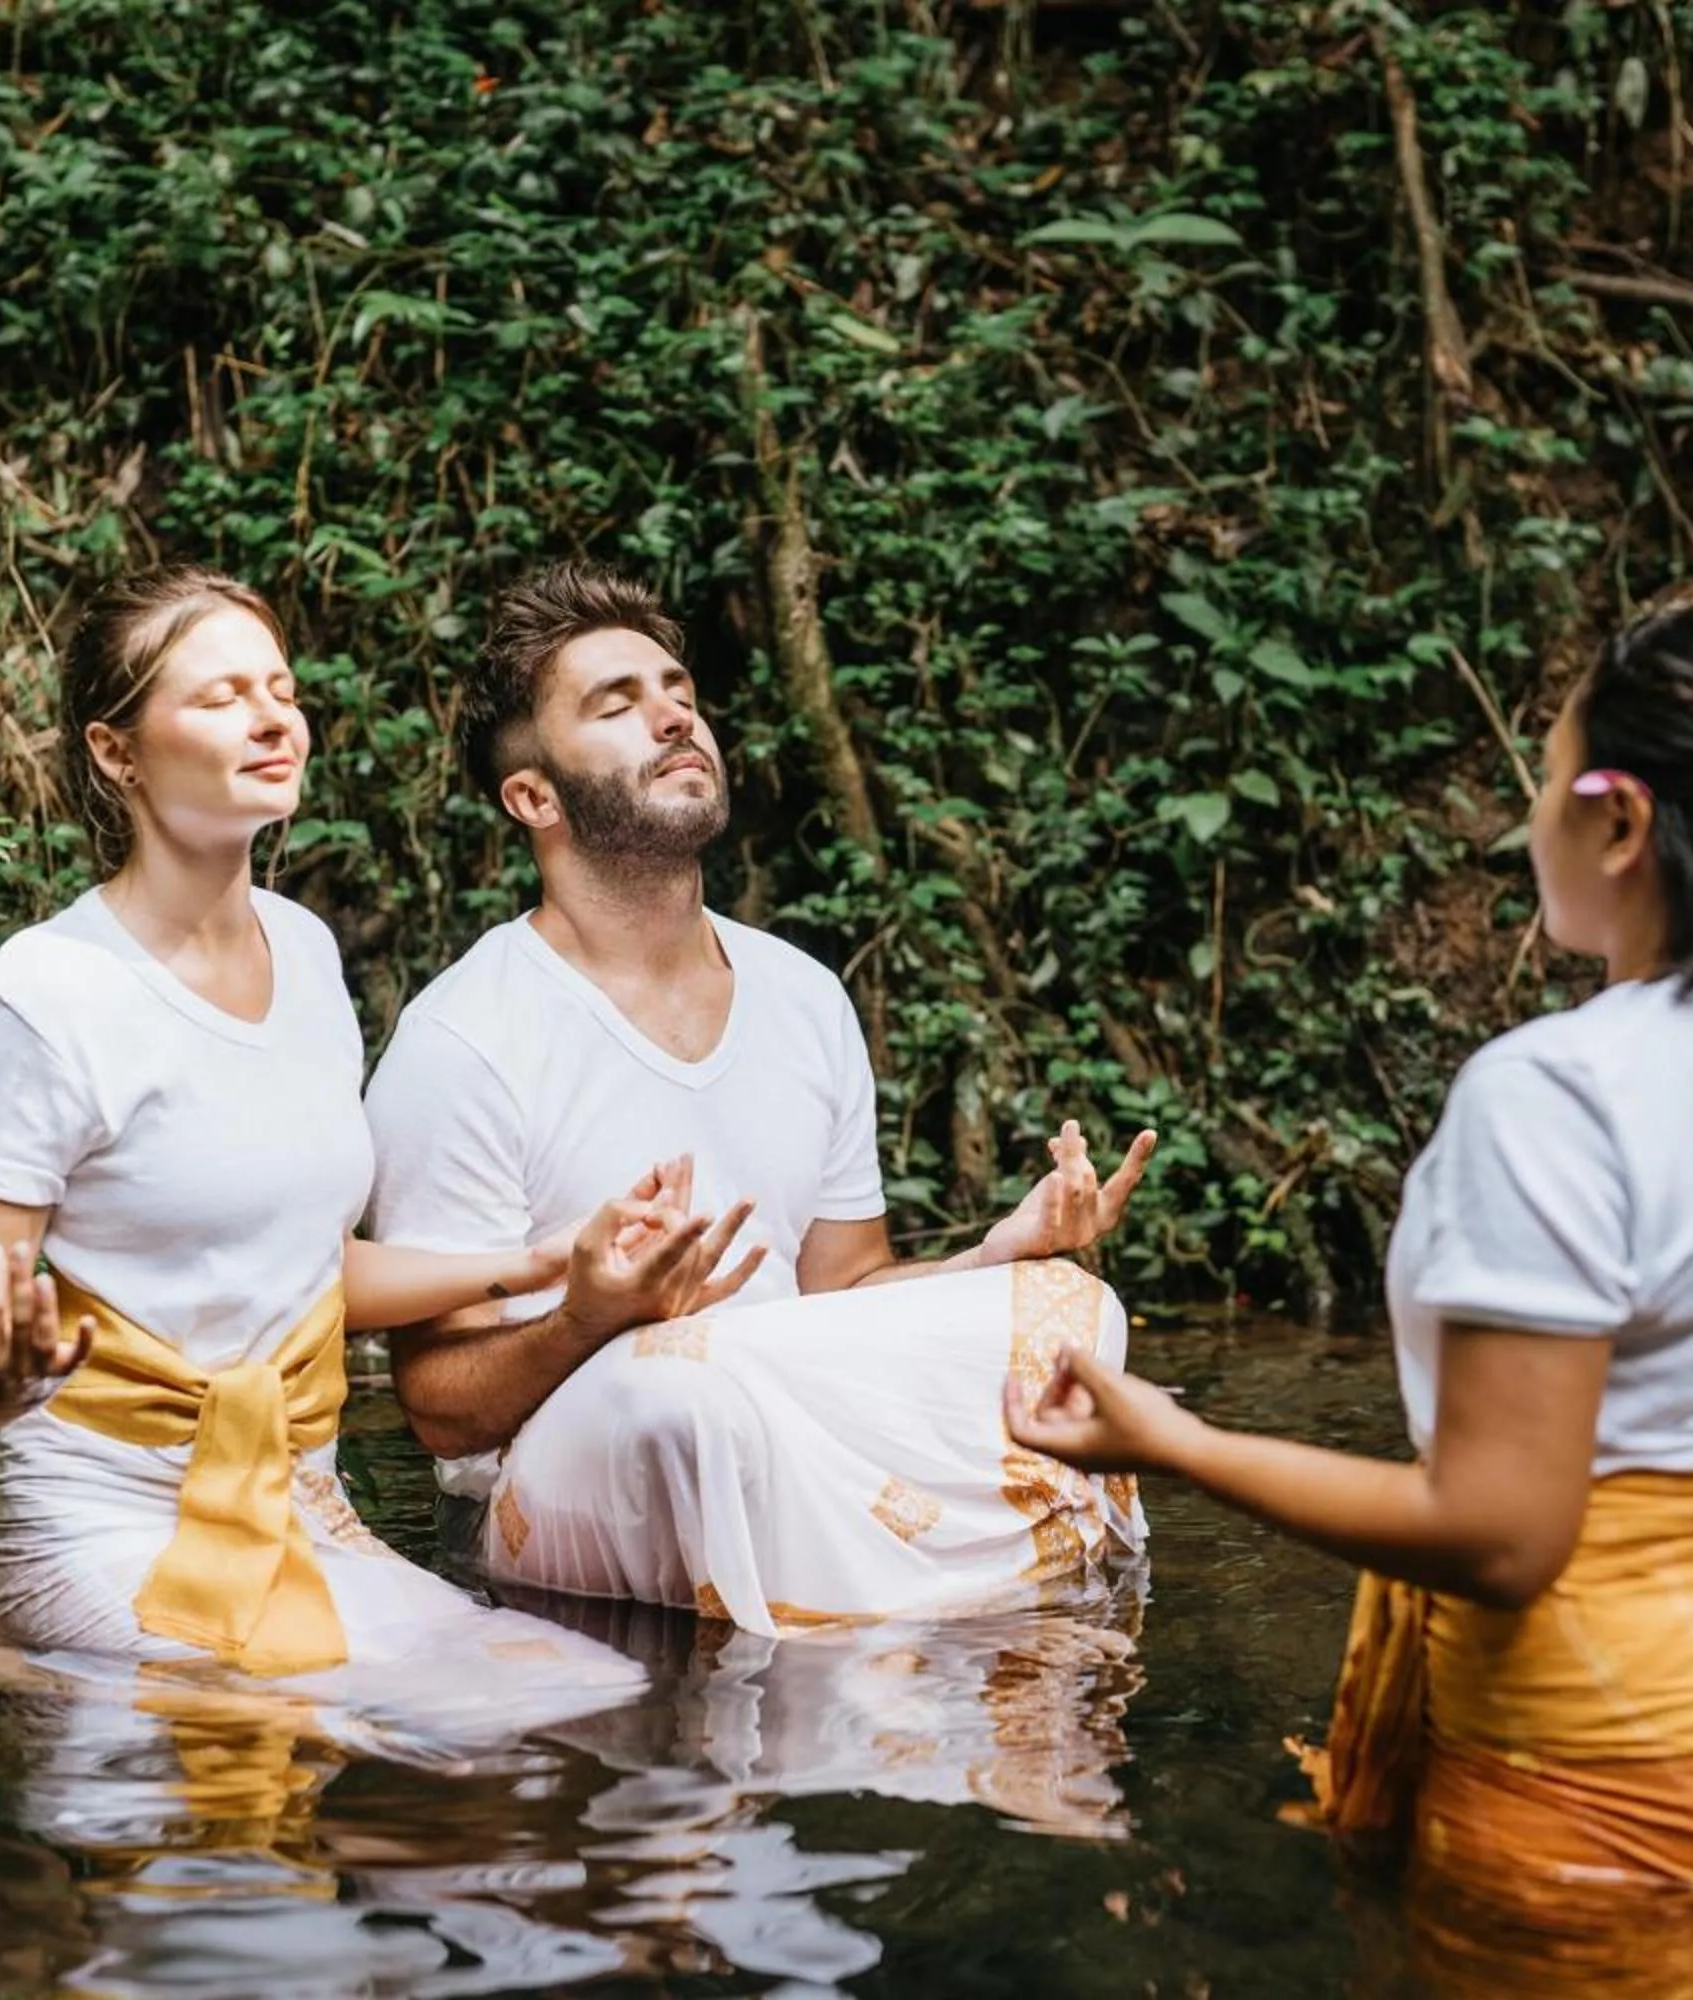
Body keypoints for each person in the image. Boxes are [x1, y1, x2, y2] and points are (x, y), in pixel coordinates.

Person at [1007, 606, 1693, 1972]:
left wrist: (1174, 1439)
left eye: (1539, 778)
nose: (1526, 818)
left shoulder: (1555, 1092)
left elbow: (1506, 1537)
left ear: (1619, 822)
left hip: (1610, 1778)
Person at [0, 564, 659, 1738]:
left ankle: (71, 1670)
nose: (274, 716)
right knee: (420, 1730)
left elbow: (315, 1269)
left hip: (300, 1509)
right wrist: (7, 1373)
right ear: (118, 752)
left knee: (585, 1694)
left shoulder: (306, 950)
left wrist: (540, 1264)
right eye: (223, 694)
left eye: (280, 689)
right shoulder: (43, 996)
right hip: (106, 1522)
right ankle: (41, 1641)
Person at [362, 560, 1157, 1636]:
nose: (674, 715)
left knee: (1073, 1313)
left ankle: (975, 1659)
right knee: (679, 1393)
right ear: (534, 797)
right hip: (561, 1475)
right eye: (619, 702)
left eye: (677, 689)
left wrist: (993, 1253)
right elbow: (439, 1411)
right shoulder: (462, 1039)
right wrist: (593, 1318)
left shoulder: (803, 995)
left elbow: (842, 1290)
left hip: (781, 1408)